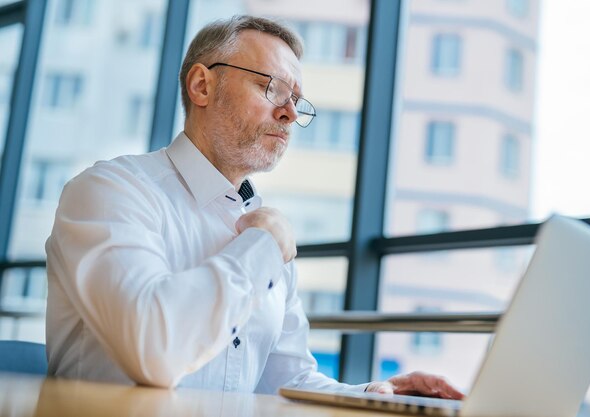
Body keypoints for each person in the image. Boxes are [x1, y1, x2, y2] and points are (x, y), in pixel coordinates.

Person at [45, 15, 463, 399]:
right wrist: (263, 246)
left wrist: (375, 394)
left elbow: (286, 381)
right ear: (202, 86)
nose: (288, 113)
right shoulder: (111, 191)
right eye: (273, 89)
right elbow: (155, 348)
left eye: (296, 99)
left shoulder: (264, 231)